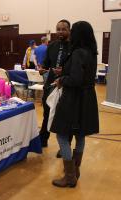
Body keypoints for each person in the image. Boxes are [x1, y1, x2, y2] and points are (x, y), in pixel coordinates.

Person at [51, 21, 99, 187]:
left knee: (61, 135)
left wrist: (62, 79)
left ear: (77, 34)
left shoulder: (78, 52)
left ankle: (70, 176)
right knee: (80, 134)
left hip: (74, 99)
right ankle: (75, 170)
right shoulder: (92, 52)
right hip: (87, 99)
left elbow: (76, 79)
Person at [39, 19, 72, 156]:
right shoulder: (51, 46)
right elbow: (46, 64)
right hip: (50, 86)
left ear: (69, 30)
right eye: (58, 29)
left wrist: (63, 71)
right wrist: (42, 68)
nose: (60, 31)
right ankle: (43, 140)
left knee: (64, 117)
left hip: (66, 86)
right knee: (46, 113)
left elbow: (74, 68)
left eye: (63, 29)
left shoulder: (73, 47)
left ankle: (65, 146)